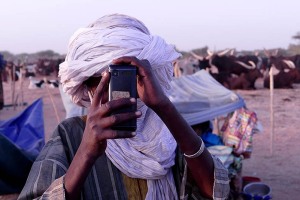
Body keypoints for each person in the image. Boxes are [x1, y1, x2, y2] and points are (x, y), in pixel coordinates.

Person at [19, 14, 229, 200]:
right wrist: (86, 153)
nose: (113, 93)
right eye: (100, 81)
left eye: (124, 80)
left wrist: (164, 107)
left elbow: (215, 192)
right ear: (86, 85)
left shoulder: (169, 132)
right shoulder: (70, 134)